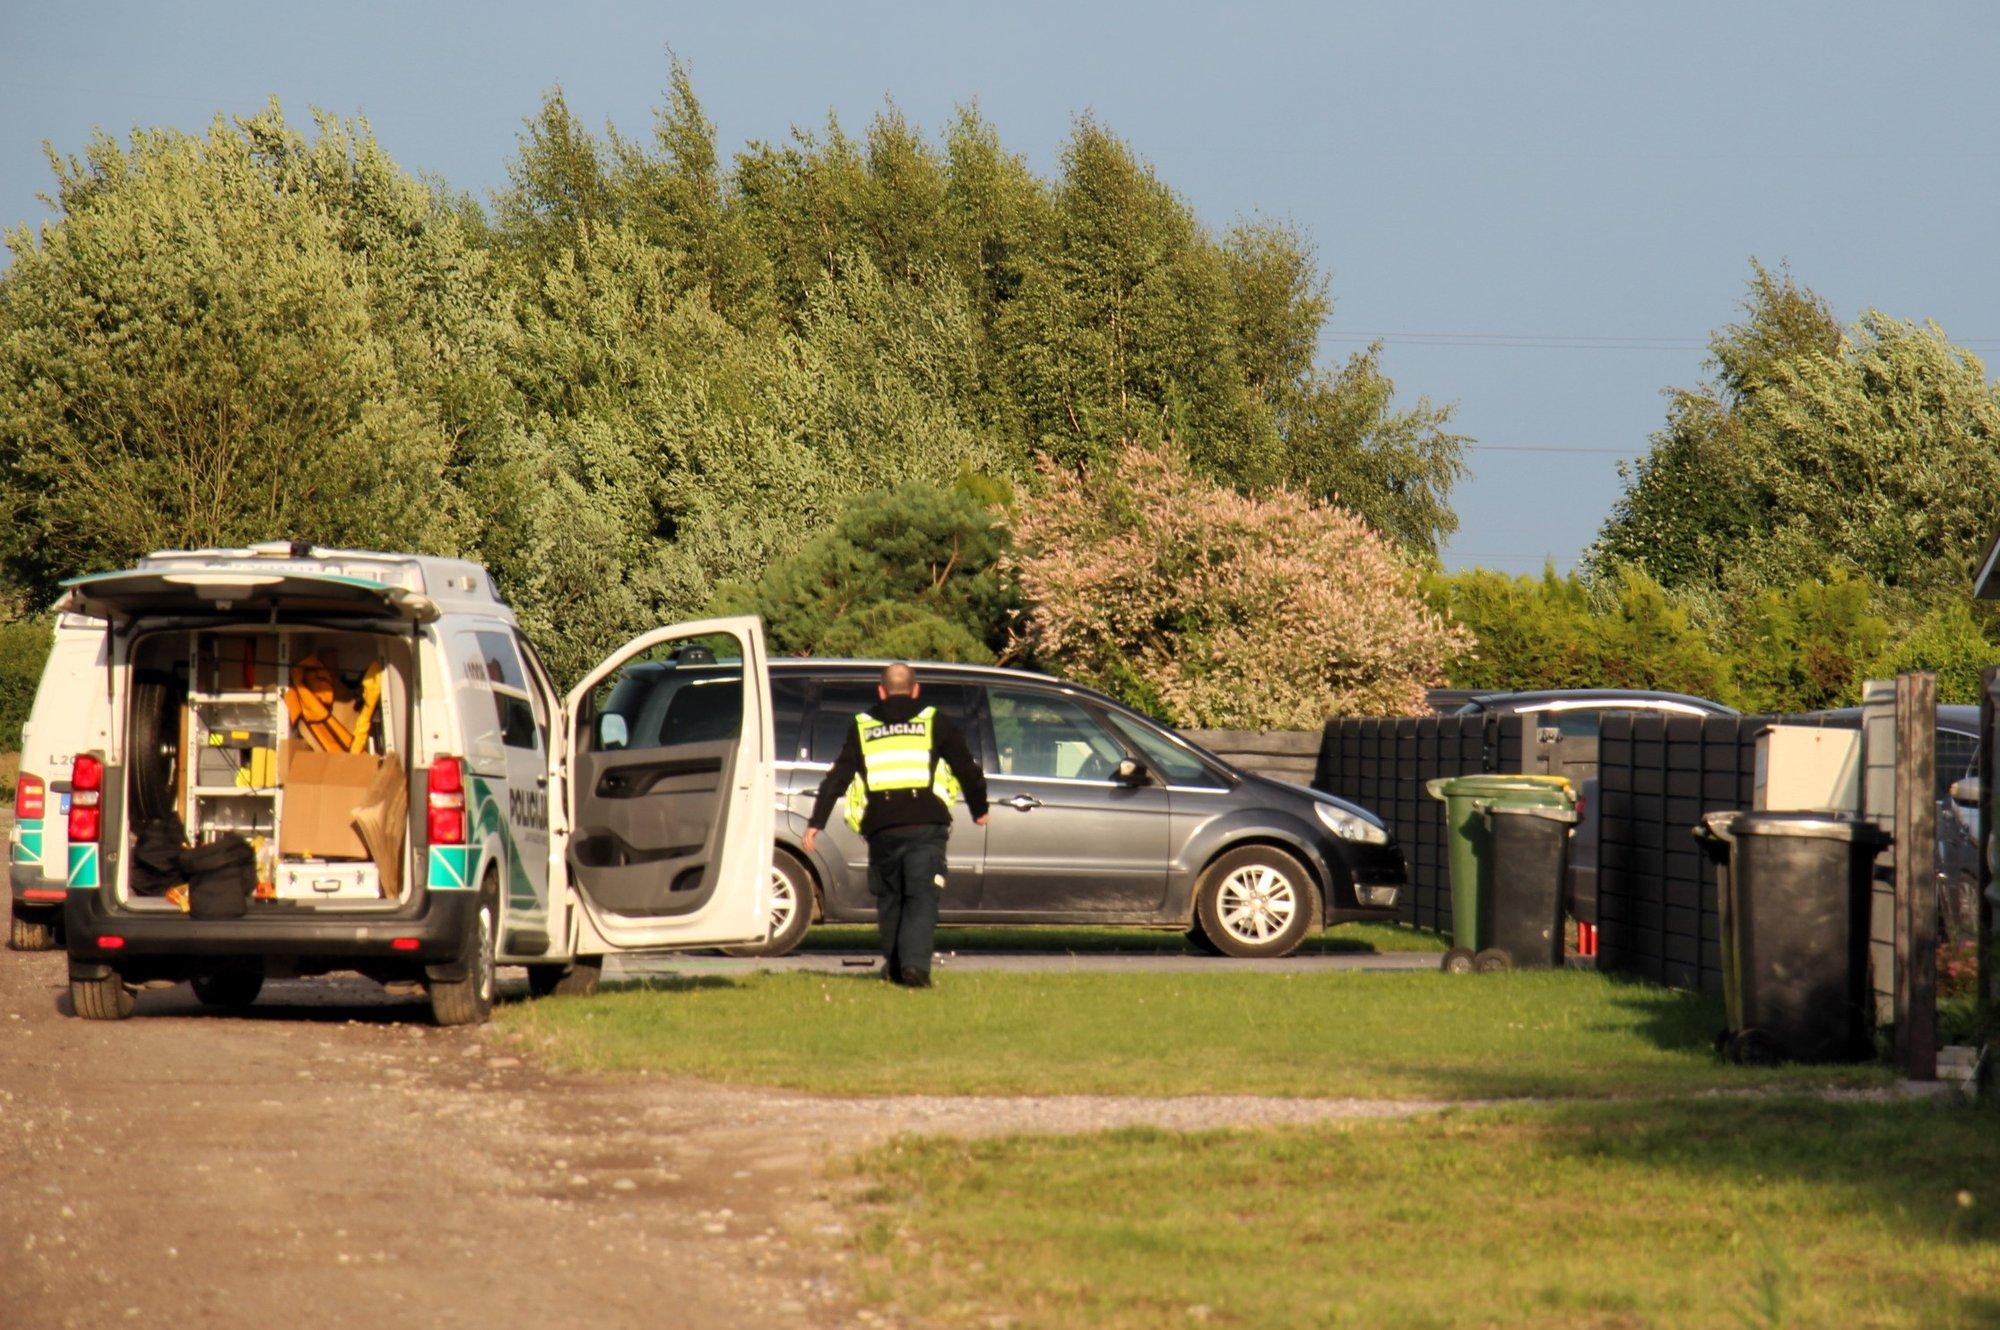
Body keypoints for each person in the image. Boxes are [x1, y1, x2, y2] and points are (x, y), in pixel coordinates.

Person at [803, 662, 988, 987]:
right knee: (920, 894)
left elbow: (838, 777)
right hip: (925, 822)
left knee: (890, 897)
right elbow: (965, 765)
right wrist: (979, 808)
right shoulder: (933, 720)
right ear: (915, 689)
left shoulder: (862, 725)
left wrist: (816, 822)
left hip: (882, 825)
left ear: (881, 690)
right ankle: (914, 968)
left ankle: (895, 966)